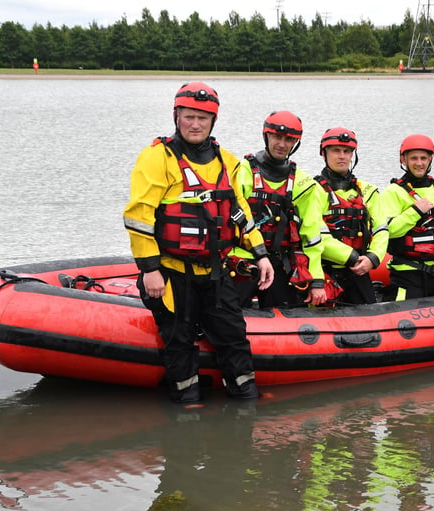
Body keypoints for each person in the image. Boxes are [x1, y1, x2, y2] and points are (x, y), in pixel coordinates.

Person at [123, 82, 274, 403]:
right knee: (178, 341)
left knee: (234, 337)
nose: (195, 124)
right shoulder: (156, 158)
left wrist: (260, 254)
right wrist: (149, 269)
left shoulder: (226, 161)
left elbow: (240, 213)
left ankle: (245, 400)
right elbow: (139, 217)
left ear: (213, 122)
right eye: (189, 117)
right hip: (170, 273)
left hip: (215, 274)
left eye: (202, 119)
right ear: (176, 116)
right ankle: (186, 410)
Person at [231, 110, 328, 308]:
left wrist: (317, 280)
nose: (282, 144)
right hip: (242, 259)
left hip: (280, 262)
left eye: (288, 139)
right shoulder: (241, 172)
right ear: (266, 135)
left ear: (295, 143)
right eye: (276, 137)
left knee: (285, 309)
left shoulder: (304, 184)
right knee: (226, 314)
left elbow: (311, 235)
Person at [381, 134, 434, 300]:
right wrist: (415, 211)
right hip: (408, 274)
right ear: (403, 160)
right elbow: (388, 231)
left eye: (423, 158)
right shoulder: (393, 192)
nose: (419, 163)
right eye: (413, 158)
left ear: (430, 160)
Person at [314, 127, 388, 304]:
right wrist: (352, 258)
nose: (342, 156)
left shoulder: (368, 191)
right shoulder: (312, 191)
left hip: (361, 271)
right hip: (327, 271)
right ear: (323, 154)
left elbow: (381, 229)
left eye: (347, 152)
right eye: (336, 151)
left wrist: (373, 258)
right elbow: (315, 234)